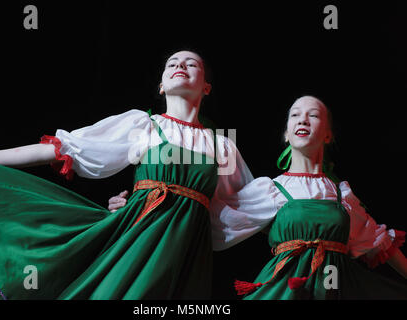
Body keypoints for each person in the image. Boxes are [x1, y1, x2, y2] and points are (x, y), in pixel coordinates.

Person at [0, 50, 254, 300]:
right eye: (172, 63)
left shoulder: (222, 145)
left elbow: (246, 205)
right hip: (139, 237)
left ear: (206, 87)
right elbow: (68, 149)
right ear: (162, 86)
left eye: (192, 63)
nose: (180, 66)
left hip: (189, 251)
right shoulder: (144, 125)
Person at [109, 95, 407, 299]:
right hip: (285, 290)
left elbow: (376, 241)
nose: (303, 120)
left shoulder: (341, 195)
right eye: (295, 115)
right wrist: (137, 208)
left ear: (328, 134)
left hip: (338, 289)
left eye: (313, 115)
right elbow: (204, 216)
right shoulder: (269, 190)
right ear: (286, 135)